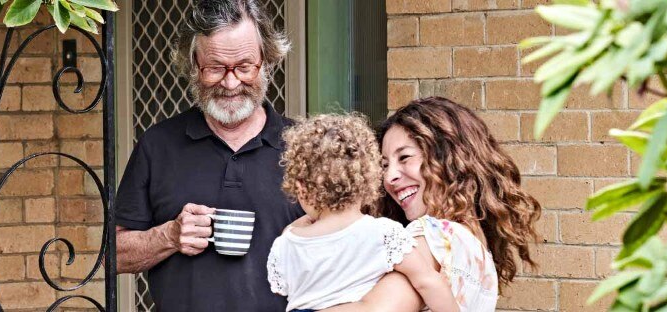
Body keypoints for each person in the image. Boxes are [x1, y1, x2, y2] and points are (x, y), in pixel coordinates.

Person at [112, 0, 304, 311]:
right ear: (192, 66)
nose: (230, 83)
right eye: (215, 68)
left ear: (266, 62)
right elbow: (112, 255)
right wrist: (169, 237)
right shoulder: (158, 145)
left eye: (244, 67)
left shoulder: (304, 147)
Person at [318, 97, 542, 311]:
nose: (389, 177)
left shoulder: (433, 237)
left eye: (404, 157)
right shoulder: (474, 248)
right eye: (384, 165)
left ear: (449, 159)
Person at [267, 113, 460, 312]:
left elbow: (282, 288)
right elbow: (426, 282)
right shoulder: (383, 233)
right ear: (368, 177)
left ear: (300, 187)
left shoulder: (286, 242)